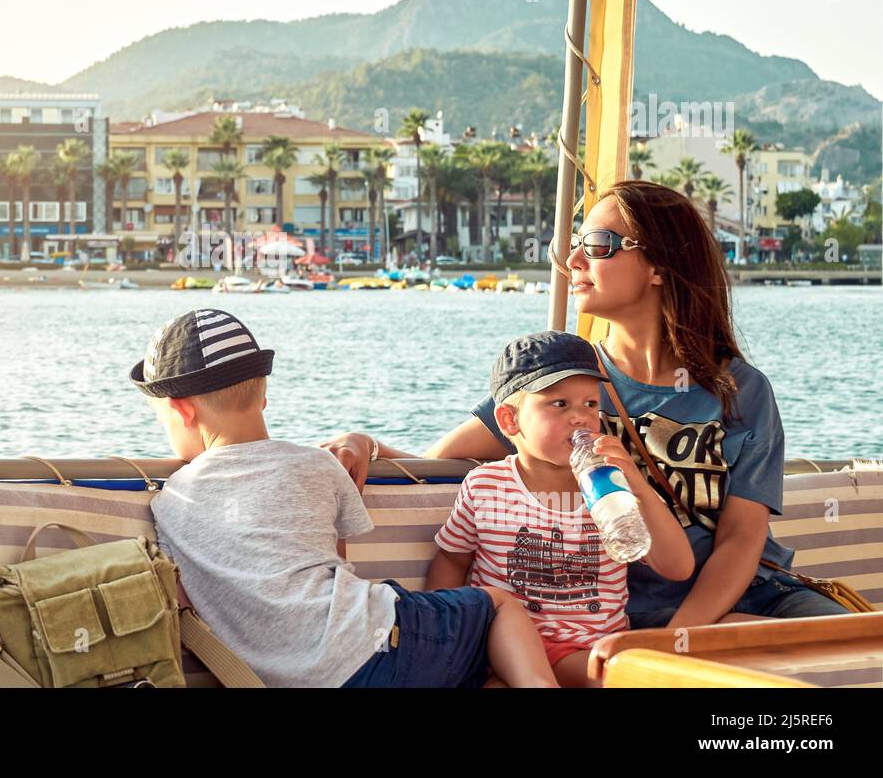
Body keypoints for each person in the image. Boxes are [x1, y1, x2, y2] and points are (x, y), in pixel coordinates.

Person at [325, 180, 851, 629]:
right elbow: (436, 465)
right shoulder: (559, 384)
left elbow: (740, 539)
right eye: (574, 244)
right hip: (626, 614)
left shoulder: (739, 389)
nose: (572, 261)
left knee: (856, 652)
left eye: (598, 244)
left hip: (756, 596)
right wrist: (364, 443)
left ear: (660, 267)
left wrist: (680, 639)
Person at [135, 309, 559, 688]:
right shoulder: (318, 465)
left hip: (289, 678)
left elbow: (187, 603)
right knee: (500, 607)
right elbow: (337, 562)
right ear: (263, 396)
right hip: (381, 642)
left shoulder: (168, 505)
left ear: (182, 410)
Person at [427, 330, 694, 687]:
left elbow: (678, 567)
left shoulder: (610, 488)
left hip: (595, 651)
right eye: (559, 404)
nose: (580, 418)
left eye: (590, 404)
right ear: (509, 420)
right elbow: (452, 559)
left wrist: (638, 485)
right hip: (503, 646)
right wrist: (439, 636)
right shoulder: (485, 486)